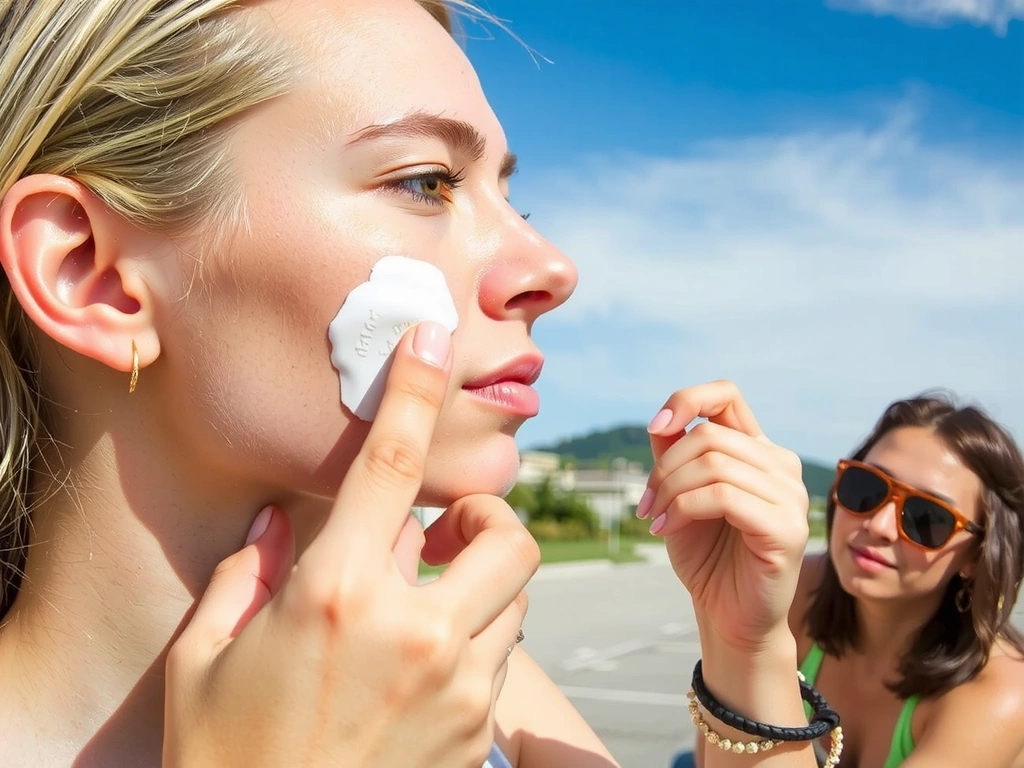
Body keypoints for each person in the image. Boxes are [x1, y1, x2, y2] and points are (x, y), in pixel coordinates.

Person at [0, 2, 1012, 768]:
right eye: (425, 182)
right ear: (87, 272)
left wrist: (745, 649)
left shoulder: (445, 667)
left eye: (506, 190)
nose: (551, 267)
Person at [667, 394, 1024, 767]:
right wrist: (725, 616)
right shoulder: (800, 585)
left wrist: (752, 642)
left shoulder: (1003, 692)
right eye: (866, 488)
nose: (879, 525)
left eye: (927, 517)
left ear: (976, 556)